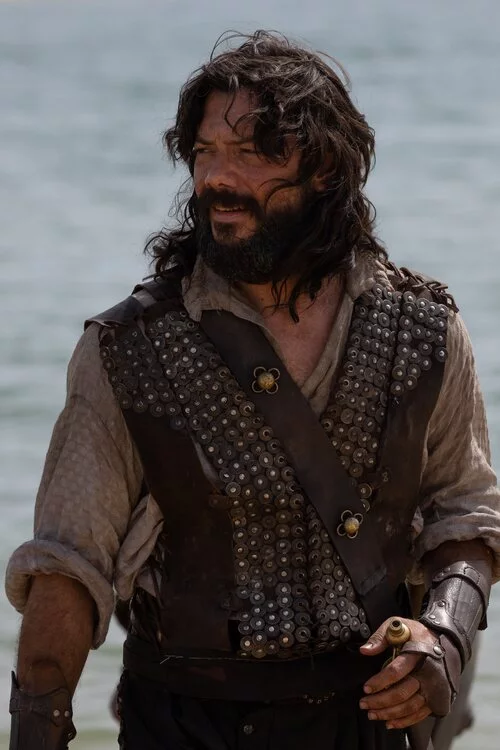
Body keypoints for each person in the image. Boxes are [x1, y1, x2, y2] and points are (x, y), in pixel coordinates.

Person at [6, 30, 500, 750]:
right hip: (182, 726)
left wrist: (444, 641)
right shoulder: (130, 351)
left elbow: (468, 513)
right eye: (204, 152)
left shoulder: (422, 331)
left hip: (369, 722)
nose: (216, 178)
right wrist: (35, 730)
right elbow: (67, 569)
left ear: (324, 169)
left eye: (249, 153)